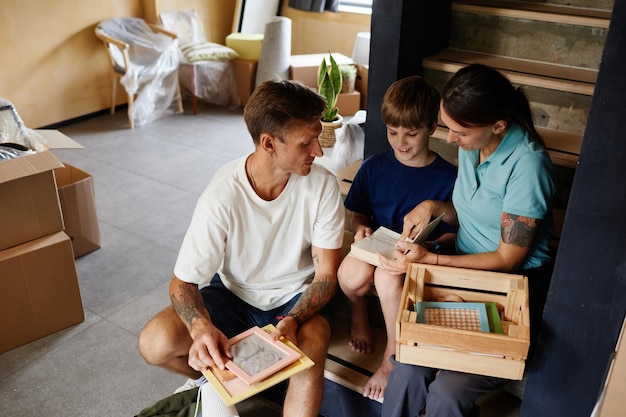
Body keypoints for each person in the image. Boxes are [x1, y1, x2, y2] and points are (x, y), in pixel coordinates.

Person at [138, 80, 345, 417]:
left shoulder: (322, 185)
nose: (318, 152)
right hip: (235, 296)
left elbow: (326, 276)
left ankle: (234, 380)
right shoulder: (222, 195)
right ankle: (215, 381)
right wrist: (201, 328)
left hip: (297, 298)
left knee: (315, 340)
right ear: (269, 144)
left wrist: (293, 318)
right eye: (306, 142)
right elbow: (182, 283)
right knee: (154, 341)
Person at [378, 64, 557, 417]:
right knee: (408, 369)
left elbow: (508, 258)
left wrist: (431, 260)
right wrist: (433, 207)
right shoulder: (473, 143)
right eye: (447, 126)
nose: (449, 139)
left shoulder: (529, 166)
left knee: (447, 393)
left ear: (498, 126)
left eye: (458, 131)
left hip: (509, 288)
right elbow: (471, 212)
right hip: (458, 275)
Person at [337, 75, 458, 400]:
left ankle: (392, 356)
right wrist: (361, 228)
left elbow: (451, 233)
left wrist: (426, 243)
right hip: (378, 244)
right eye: (393, 132)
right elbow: (359, 213)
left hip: (417, 255)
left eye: (412, 133)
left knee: (386, 278)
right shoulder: (375, 166)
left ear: (432, 128)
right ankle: (359, 309)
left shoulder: (448, 176)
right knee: (350, 274)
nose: (401, 141)